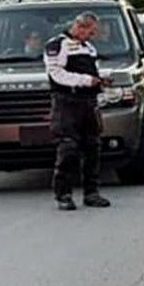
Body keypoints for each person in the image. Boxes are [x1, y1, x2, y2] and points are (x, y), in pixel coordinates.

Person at [45, 11, 110, 211]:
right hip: (67, 102)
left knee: (93, 147)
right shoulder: (57, 45)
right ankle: (63, 194)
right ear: (80, 27)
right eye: (90, 32)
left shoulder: (88, 48)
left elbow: (93, 73)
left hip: (88, 103)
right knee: (68, 147)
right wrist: (85, 80)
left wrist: (101, 80)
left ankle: (92, 192)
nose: (92, 36)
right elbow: (57, 74)